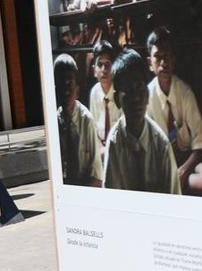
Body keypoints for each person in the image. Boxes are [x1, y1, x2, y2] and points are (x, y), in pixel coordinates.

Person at [103, 49, 180, 194]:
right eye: (128, 90)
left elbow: (173, 197)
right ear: (117, 99)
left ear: (148, 93)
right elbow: (112, 199)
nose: (136, 98)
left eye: (139, 88)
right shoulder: (114, 143)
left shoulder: (160, 144)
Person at [144, 27, 202, 195]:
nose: (163, 63)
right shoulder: (146, 97)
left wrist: (184, 169)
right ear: (149, 63)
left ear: (174, 60)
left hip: (187, 161)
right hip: (161, 165)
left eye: (167, 57)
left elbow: (200, 143)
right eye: (158, 58)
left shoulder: (185, 92)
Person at [53, 54, 103, 187]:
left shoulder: (87, 121)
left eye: (70, 81)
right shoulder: (55, 122)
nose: (66, 88)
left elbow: (97, 176)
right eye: (61, 83)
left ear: (77, 89)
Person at [88, 41, 122, 151]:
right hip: (101, 148)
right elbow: (93, 128)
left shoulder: (121, 92)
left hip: (120, 147)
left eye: (108, 64)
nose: (104, 69)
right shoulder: (94, 93)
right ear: (94, 70)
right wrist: (101, 149)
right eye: (100, 65)